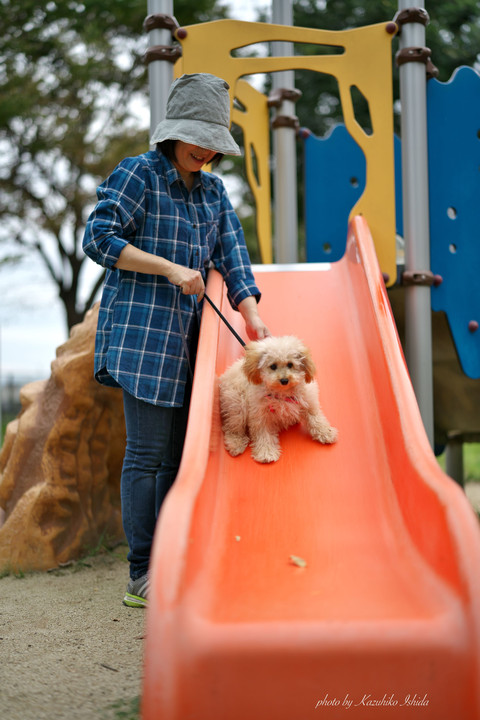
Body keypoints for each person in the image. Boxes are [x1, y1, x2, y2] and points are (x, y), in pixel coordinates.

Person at [82, 73, 270, 608]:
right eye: (197, 138)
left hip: (190, 344)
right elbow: (98, 238)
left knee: (175, 458)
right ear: (172, 132)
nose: (205, 151)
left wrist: (252, 317)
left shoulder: (213, 192)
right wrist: (170, 268)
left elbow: (233, 256)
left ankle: (171, 558)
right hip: (141, 336)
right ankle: (141, 573)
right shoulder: (139, 174)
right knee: (145, 455)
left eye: (214, 142)